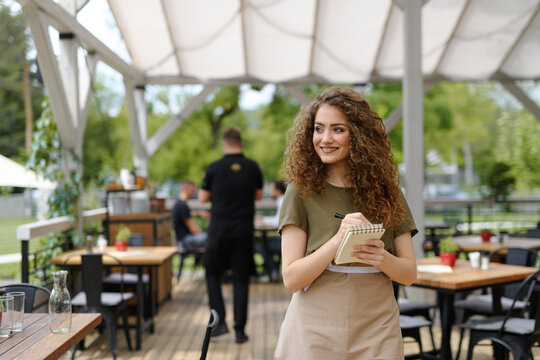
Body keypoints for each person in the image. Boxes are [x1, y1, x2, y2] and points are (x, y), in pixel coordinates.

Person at [274, 87, 418, 359]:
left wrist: (381, 257)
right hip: (313, 326)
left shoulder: (390, 194)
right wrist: (338, 241)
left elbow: (409, 274)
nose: (325, 139)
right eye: (319, 129)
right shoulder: (299, 192)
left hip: (377, 327)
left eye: (337, 129)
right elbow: (291, 278)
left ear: (360, 136)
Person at [198, 127, 263, 344]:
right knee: (241, 280)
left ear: (225, 144)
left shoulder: (214, 168)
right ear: (241, 143)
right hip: (243, 232)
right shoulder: (252, 167)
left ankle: (219, 324)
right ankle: (240, 331)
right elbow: (259, 195)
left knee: (212, 274)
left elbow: (203, 198)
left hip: (219, 232)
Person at [255, 180, 286, 280]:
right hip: (284, 239)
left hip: (285, 241)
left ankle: (272, 271)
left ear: (277, 190)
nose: (269, 192)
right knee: (262, 242)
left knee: (261, 246)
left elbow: (278, 222)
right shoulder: (281, 200)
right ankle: (274, 270)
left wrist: (262, 219)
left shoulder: (282, 201)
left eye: (271, 189)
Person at [171, 180, 208, 252]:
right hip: (186, 241)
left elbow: (187, 214)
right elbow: (194, 230)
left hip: (182, 239)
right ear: (185, 189)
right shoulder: (182, 206)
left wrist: (199, 213)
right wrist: (202, 233)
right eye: (192, 190)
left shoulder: (178, 204)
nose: (194, 192)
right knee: (214, 237)